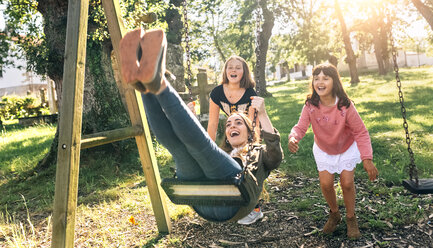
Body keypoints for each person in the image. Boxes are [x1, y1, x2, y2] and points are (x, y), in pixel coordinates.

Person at [119, 28, 283, 224]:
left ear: (249, 129)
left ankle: (157, 82)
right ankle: (144, 86)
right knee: (178, 149)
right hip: (203, 203)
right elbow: (203, 140)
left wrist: (262, 114)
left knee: (202, 148)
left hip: (235, 204)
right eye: (229, 123)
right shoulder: (224, 152)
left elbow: (276, 154)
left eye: (238, 122)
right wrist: (191, 119)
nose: (231, 126)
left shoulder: (260, 154)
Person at [288, 63, 378, 239]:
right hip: (324, 149)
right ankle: (335, 214)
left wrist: (367, 158)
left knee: (347, 183)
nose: (320, 82)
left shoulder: (344, 105)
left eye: (325, 78)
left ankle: (351, 218)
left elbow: (361, 131)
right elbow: (300, 126)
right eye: (316, 78)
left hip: (346, 148)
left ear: (334, 82)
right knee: (326, 184)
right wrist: (293, 137)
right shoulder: (310, 105)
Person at [207, 55, 257, 142]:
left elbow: (253, 125)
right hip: (234, 130)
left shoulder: (251, 94)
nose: (233, 70)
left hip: (251, 130)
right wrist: (208, 148)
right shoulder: (217, 93)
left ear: (244, 72)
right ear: (225, 71)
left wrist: (253, 147)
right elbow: (212, 124)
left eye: (238, 68)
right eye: (230, 67)